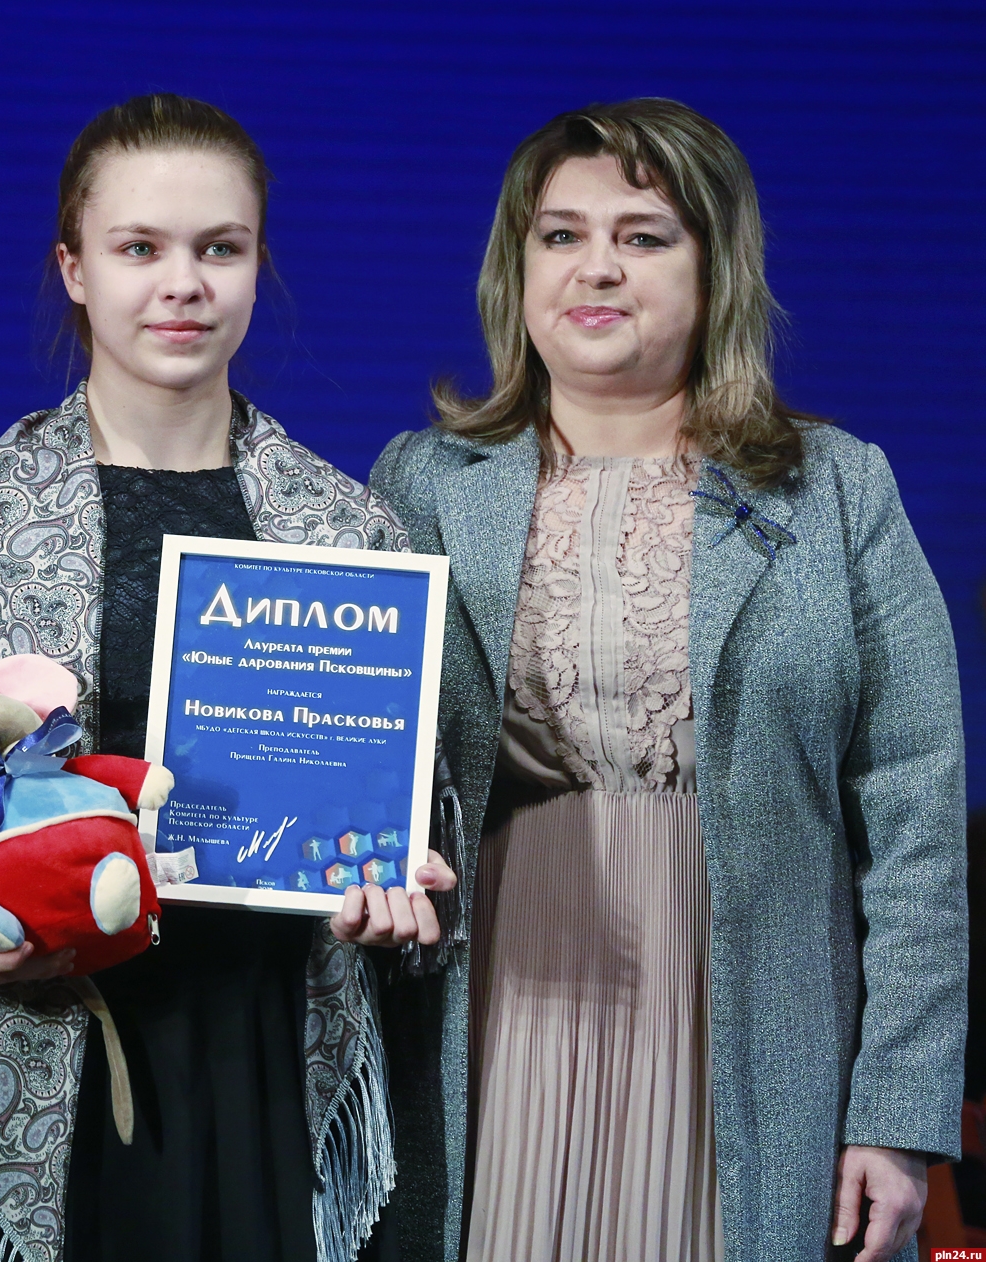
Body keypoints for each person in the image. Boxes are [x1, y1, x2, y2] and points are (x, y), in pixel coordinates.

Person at [0, 93, 458, 1262]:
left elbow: (420, 826)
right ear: (74, 268)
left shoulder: (347, 528)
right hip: (42, 1032)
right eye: (140, 248)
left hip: (265, 1040)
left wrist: (397, 891)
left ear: (259, 266)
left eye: (221, 248)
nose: (183, 285)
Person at [369, 98, 966, 1262]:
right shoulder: (422, 484)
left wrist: (897, 1113)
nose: (597, 267)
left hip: (756, 1037)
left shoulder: (837, 491)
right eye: (561, 235)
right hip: (497, 1012)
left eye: (643, 236)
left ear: (714, 269)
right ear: (517, 269)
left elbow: (918, 827)